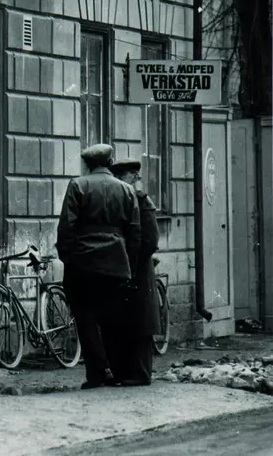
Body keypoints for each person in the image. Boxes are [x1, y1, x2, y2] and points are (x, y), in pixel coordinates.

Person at [56, 144, 141, 389]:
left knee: (86, 319)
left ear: (88, 164)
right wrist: (130, 266)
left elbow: (66, 228)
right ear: (110, 161)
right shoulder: (126, 190)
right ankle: (118, 372)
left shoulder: (77, 186)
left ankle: (96, 374)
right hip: (116, 262)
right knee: (113, 320)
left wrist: (69, 258)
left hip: (83, 264)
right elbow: (135, 232)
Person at [108, 158, 160, 386]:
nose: (128, 182)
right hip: (119, 269)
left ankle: (140, 374)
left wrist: (131, 261)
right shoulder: (117, 200)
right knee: (120, 321)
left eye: (129, 178)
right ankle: (122, 373)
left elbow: (150, 240)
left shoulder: (142, 201)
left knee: (141, 323)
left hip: (138, 270)